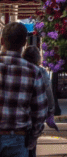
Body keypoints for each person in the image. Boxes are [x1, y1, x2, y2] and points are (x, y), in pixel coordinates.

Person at [0, 22, 48, 157]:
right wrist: (34, 136)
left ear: (2, 40)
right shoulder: (33, 71)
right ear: (24, 43)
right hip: (17, 137)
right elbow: (40, 111)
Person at [21, 47, 56, 157]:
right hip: (32, 118)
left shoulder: (20, 68)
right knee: (30, 149)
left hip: (18, 118)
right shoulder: (40, 71)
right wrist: (51, 110)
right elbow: (48, 92)